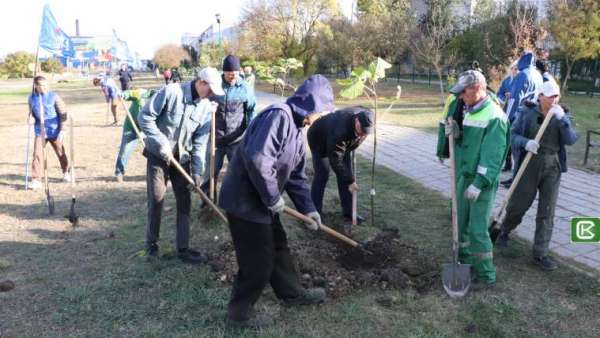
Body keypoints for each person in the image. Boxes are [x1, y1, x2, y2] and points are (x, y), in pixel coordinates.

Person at [218, 74, 334, 328]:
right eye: (322, 111)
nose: (321, 117)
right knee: (257, 261)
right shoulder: (279, 116)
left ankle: (291, 293)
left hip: (262, 200)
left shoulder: (297, 129)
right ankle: (238, 316)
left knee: (279, 246)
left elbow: (296, 177)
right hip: (244, 201)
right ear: (311, 104)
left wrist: (310, 209)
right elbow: (259, 160)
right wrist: (272, 198)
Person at [138, 67, 224, 264]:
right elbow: (145, 117)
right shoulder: (171, 92)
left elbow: (200, 143)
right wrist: (160, 141)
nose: (211, 96)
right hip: (158, 156)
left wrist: (197, 173)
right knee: (157, 200)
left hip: (181, 160)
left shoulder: (204, 108)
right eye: (210, 90)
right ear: (201, 82)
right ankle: (151, 246)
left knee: (184, 202)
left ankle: (183, 249)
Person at [497, 81, 578, 271]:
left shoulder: (562, 114)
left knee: (547, 211)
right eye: (550, 96)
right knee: (518, 205)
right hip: (529, 164)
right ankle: (504, 230)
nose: (554, 100)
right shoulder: (527, 112)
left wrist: (564, 121)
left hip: (552, 166)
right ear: (540, 96)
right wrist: (526, 143)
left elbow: (571, 140)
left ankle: (540, 254)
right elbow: (512, 134)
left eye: (556, 96)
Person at [443, 70, 509, 290]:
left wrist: (479, 183)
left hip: (482, 182)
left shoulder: (495, 117)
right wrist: (457, 134)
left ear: (477, 89)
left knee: (477, 230)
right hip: (465, 176)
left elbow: (492, 156)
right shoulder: (472, 110)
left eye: (463, 92)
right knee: (459, 222)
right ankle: (465, 262)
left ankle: (486, 274)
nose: (461, 97)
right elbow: (471, 145)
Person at [200, 55, 256, 199]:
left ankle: (238, 203)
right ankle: (208, 203)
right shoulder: (215, 85)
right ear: (223, 72)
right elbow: (202, 104)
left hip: (237, 140)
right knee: (210, 173)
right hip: (215, 140)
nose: (233, 76)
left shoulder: (245, 88)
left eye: (236, 73)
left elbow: (251, 111)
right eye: (230, 73)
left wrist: (251, 134)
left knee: (239, 173)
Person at [307, 106, 374, 224]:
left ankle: (349, 212)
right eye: (362, 130)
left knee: (346, 174)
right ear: (357, 121)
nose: (363, 134)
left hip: (343, 144)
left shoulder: (367, 117)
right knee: (322, 175)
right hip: (319, 139)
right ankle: (314, 213)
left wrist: (349, 179)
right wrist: (350, 181)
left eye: (366, 132)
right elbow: (336, 160)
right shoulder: (340, 130)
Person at [502, 51, 544, 187]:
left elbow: (515, 98)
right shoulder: (538, 75)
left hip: (521, 114)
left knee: (517, 147)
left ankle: (516, 180)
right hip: (534, 113)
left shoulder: (522, 75)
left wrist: (506, 117)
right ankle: (517, 177)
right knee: (525, 148)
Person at [27, 76, 71, 189]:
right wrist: (30, 118)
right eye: (42, 85)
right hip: (40, 131)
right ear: (36, 86)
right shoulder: (31, 98)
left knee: (60, 151)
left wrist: (63, 129)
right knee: (37, 154)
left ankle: (66, 172)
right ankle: (36, 179)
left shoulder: (54, 96)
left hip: (54, 129)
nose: (45, 87)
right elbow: (31, 113)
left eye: (46, 84)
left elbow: (63, 113)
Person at [114, 88, 154, 182]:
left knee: (154, 152)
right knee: (125, 151)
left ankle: (155, 173)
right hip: (131, 128)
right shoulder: (140, 93)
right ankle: (119, 172)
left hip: (146, 129)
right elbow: (129, 93)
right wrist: (123, 95)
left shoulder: (158, 100)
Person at [497, 62, 519, 172]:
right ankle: (507, 162)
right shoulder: (507, 81)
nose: (515, 71)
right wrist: (504, 96)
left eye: (517, 69)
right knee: (506, 138)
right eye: (513, 69)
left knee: (514, 139)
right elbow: (499, 93)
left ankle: (517, 165)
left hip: (517, 114)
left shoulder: (521, 82)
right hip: (506, 112)